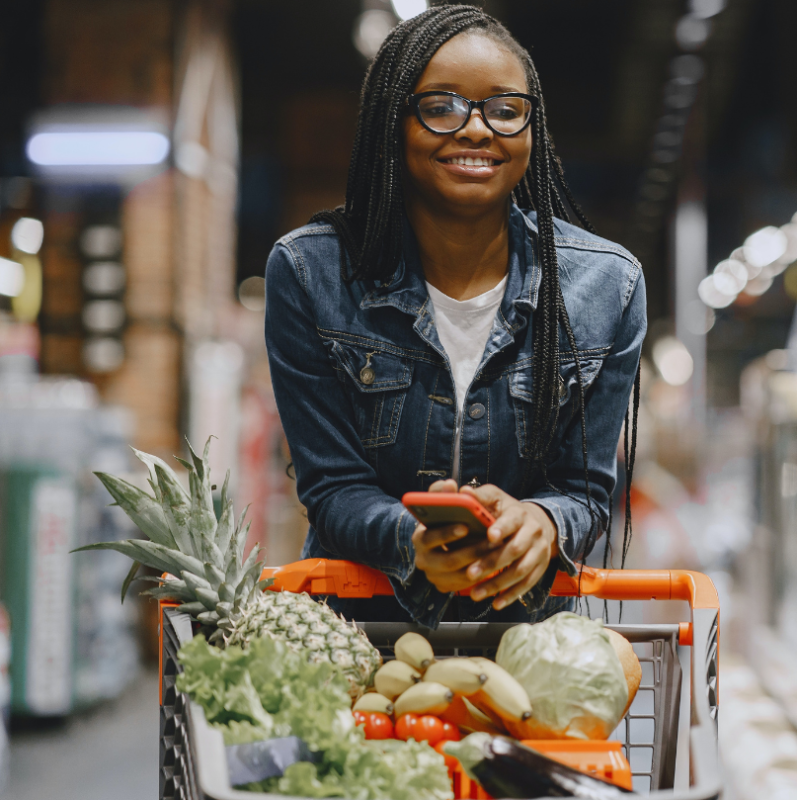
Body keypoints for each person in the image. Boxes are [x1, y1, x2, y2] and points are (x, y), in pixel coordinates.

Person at [264, 5, 645, 628]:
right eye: (441, 106)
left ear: (531, 127)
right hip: (359, 638)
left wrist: (544, 522)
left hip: (533, 647)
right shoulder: (312, 273)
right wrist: (412, 540)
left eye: (504, 108)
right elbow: (332, 489)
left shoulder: (606, 285)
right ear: (394, 122)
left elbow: (585, 492)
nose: (476, 129)